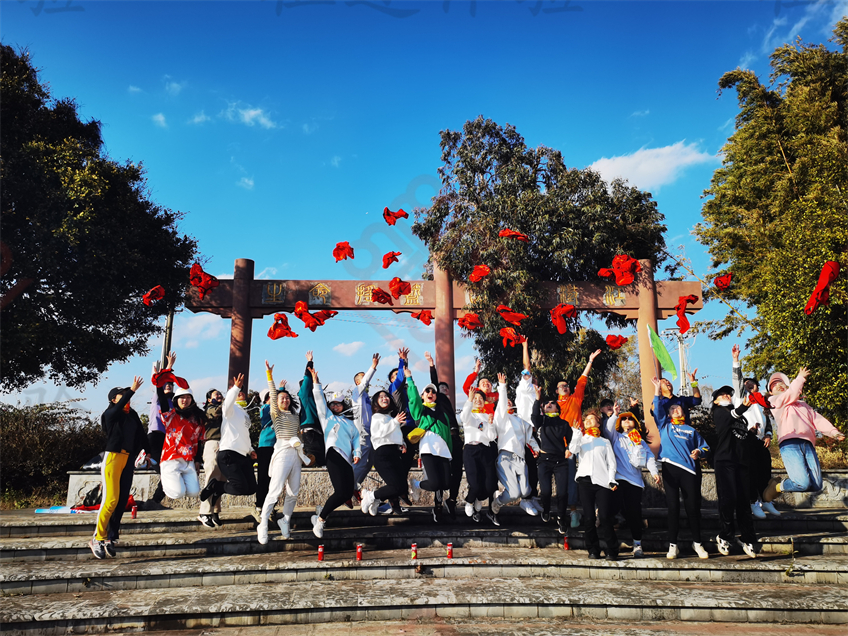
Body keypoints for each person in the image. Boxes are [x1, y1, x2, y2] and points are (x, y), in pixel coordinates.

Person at [763, 367, 845, 505]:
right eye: (774, 384)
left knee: (816, 485)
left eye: (781, 382)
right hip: (789, 443)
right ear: (770, 392)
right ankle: (777, 487)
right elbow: (791, 394)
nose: (779, 385)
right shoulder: (774, 401)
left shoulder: (803, 405)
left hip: (807, 443)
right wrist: (800, 378)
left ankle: (778, 486)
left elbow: (817, 420)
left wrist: (834, 432)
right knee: (802, 483)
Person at [651, 376, 711, 560]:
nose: (675, 409)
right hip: (670, 468)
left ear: (684, 411)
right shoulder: (664, 425)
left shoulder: (691, 430)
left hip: (690, 471)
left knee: (693, 508)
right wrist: (656, 389)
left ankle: (697, 543)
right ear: (668, 414)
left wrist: (699, 452)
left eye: (678, 408)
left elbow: (706, 448)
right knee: (673, 507)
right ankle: (673, 545)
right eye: (672, 409)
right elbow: (657, 409)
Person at [90, 375, 147, 559]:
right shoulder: (110, 414)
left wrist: (147, 451)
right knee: (111, 500)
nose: (126, 398)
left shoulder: (133, 415)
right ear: (114, 400)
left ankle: (111, 536)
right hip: (113, 457)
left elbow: (141, 434)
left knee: (122, 500)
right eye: (121, 395)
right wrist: (132, 390)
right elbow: (114, 411)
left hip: (128, 458)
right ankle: (97, 537)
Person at [257, 360, 310, 544]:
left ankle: (285, 520)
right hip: (282, 452)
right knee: (275, 490)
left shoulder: (295, 416)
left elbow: (299, 435)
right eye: (282, 398)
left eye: (287, 398)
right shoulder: (276, 414)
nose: (285, 400)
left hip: (296, 454)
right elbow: (273, 394)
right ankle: (263, 523)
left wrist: (303, 452)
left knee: (293, 492)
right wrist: (269, 376)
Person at [310, 366, 362, 538]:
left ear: (343, 405)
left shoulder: (349, 423)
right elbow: (319, 400)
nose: (335, 406)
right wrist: (316, 382)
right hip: (333, 455)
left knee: (347, 493)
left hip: (347, 459)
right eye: (333, 404)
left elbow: (356, 438)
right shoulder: (327, 418)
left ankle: (320, 515)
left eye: (338, 403)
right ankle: (320, 520)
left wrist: (357, 453)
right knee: (340, 492)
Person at [601, 406, 660, 557]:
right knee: (610, 511)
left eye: (630, 419)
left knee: (634, 513)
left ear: (635, 423)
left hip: (635, 482)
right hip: (618, 479)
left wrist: (654, 472)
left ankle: (637, 544)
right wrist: (615, 414)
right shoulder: (616, 437)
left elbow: (649, 457)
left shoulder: (640, 441)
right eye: (624, 419)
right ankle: (612, 544)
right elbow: (608, 429)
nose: (627, 421)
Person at [556, 349, 602, 528]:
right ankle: (574, 511)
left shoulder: (575, 399)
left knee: (589, 473)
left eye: (566, 385)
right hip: (566, 447)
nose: (565, 387)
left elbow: (582, 380)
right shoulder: (553, 406)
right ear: (557, 390)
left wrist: (590, 361)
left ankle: (597, 509)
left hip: (583, 443)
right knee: (571, 479)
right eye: (562, 386)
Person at [731, 345, 778, 518]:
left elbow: (768, 423)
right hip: (746, 440)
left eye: (752, 383)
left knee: (765, 471)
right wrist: (736, 361)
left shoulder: (763, 404)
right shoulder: (742, 398)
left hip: (761, 441)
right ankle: (753, 502)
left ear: (758, 386)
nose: (748, 384)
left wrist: (768, 435)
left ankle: (767, 500)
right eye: (746, 383)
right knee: (750, 472)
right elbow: (737, 380)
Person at [710, 385, 757, 559]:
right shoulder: (719, 412)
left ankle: (747, 538)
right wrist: (744, 406)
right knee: (728, 499)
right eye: (722, 394)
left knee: (744, 502)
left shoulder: (740, 416)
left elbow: (741, 435)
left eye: (728, 394)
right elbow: (731, 417)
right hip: (725, 461)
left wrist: (752, 433)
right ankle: (725, 535)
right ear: (715, 401)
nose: (727, 396)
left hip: (741, 462)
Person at [199, 374, 257, 508]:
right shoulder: (229, 409)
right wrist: (235, 388)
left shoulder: (244, 413)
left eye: (242, 391)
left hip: (243, 454)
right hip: (229, 453)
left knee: (251, 488)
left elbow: (244, 433)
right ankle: (216, 486)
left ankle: (218, 489)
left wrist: (250, 450)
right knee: (239, 487)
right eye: (238, 392)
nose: (241, 392)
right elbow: (228, 402)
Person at [489, 373, 540, 526]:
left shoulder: (521, 420)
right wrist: (502, 386)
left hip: (520, 458)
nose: (509, 403)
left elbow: (529, 437)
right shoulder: (501, 418)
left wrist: (536, 448)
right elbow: (502, 404)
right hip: (505, 456)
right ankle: (496, 504)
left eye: (510, 402)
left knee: (525, 491)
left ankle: (524, 501)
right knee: (514, 493)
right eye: (506, 402)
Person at [406, 364, 454, 522]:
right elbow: (413, 399)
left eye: (433, 391)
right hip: (428, 450)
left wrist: (450, 451)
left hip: (444, 451)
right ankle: (417, 484)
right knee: (434, 483)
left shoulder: (443, 413)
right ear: (422, 396)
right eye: (427, 391)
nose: (431, 393)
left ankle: (438, 505)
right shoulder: (421, 411)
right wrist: (410, 379)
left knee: (445, 483)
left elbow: (447, 435)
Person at [568, 409, 618, 560]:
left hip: (602, 482)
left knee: (605, 516)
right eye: (586, 419)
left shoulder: (605, 442)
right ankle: (593, 549)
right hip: (585, 481)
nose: (588, 421)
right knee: (589, 517)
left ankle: (612, 550)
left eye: (592, 418)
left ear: (598, 422)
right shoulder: (582, 439)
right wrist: (576, 433)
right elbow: (573, 450)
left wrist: (611, 479)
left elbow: (611, 463)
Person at [425, 350, 464, 519]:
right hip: (442, 439)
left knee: (457, 470)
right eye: (439, 389)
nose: (441, 390)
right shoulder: (438, 401)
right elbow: (434, 383)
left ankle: (452, 500)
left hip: (455, 438)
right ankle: (438, 503)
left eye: (444, 388)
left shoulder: (447, 404)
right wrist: (431, 365)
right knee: (441, 471)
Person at [530, 385, 572, 533]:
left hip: (561, 461)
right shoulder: (541, 421)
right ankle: (546, 510)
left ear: (557, 408)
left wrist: (569, 448)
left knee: (562, 492)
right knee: (546, 491)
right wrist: (537, 399)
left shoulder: (564, 424)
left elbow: (571, 439)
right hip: (544, 460)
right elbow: (534, 416)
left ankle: (561, 517)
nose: (549, 404)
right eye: (546, 403)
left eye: (552, 403)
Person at [157, 378, 205, 502]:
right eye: (182, 397)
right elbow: (162, 400)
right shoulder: (170, 415)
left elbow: (199, 440)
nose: (185, 400)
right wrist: (159, 383)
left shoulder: (197, 418)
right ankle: (166, 481)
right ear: (176, 400)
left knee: (194, 492)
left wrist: (198, 460)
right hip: (171, 458)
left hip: (188, 459)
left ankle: (176, 482)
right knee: (177, 493)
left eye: (188, 397)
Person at [361, 390, 408, 515]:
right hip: (383, 453)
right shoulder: (376, 417)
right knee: (395, 486)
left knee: (402, 487)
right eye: (380, 397)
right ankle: (371, 496)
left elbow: (394, 434)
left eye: (386, 396)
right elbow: (378, 434)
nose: (384, 398)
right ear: (376, 402)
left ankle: (377, 498)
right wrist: (395, 422)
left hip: (394, 453)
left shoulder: (390, 417)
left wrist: (402, 443)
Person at [459, 388, 497, 522]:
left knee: (489, 485)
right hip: (471, 450)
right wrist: (470, 400)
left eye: (481, 398)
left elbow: (491, 437)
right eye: (475, 399)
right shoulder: (469, 414)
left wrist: (491, 424)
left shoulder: (487, 416)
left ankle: (479, 498)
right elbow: (463, 417)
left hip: (485, 449)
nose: (478, 401)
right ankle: (469, 501)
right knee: (474, 483)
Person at [144, 359, 173, 510]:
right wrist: (168, 368)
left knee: (169, 472)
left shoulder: (173, 403)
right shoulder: (156, 399)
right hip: (155, 437)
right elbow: (159, 385)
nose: (168, 385)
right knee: (165, 472)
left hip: (167, 440)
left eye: (171, 384)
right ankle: (154, 501)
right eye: (166, 384)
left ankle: (155, 501)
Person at [352, 353, 380, 497]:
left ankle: (355, 486)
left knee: (369, 463)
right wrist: (373, 367)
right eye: (363, 377)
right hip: (362, 432)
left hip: (371, 433)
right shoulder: (356, 392)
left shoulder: (366, 397)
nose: (366, 380)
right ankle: (347, 487)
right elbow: (364, 383)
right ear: (358, 382)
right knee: (361, 462)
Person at [197, 387, 224, 528]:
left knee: (221, 481)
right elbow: (216, 412)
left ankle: (215, 511)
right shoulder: (209, 409)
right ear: (209, 399)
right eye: (216, 395)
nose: (219, 396)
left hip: (225, 444)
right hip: (213, 443)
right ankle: (204, 512)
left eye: (220, 394)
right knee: (211, 477)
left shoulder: (226, 409)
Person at [298, 351, 325, 467]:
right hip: (310, 431)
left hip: (319, 430)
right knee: (313, 458)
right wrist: (310, 362)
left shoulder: (318, 397)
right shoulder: (304, 394)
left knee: (321, 458)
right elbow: (308, 378)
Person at [254, 388, 275, 523]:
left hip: (277, 447)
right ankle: (259, 505)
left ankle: (271, 506)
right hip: (266, 446)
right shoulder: (265, 409)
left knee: (274, 479)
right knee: (263, 477)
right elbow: (270, 409)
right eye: (273, 396)